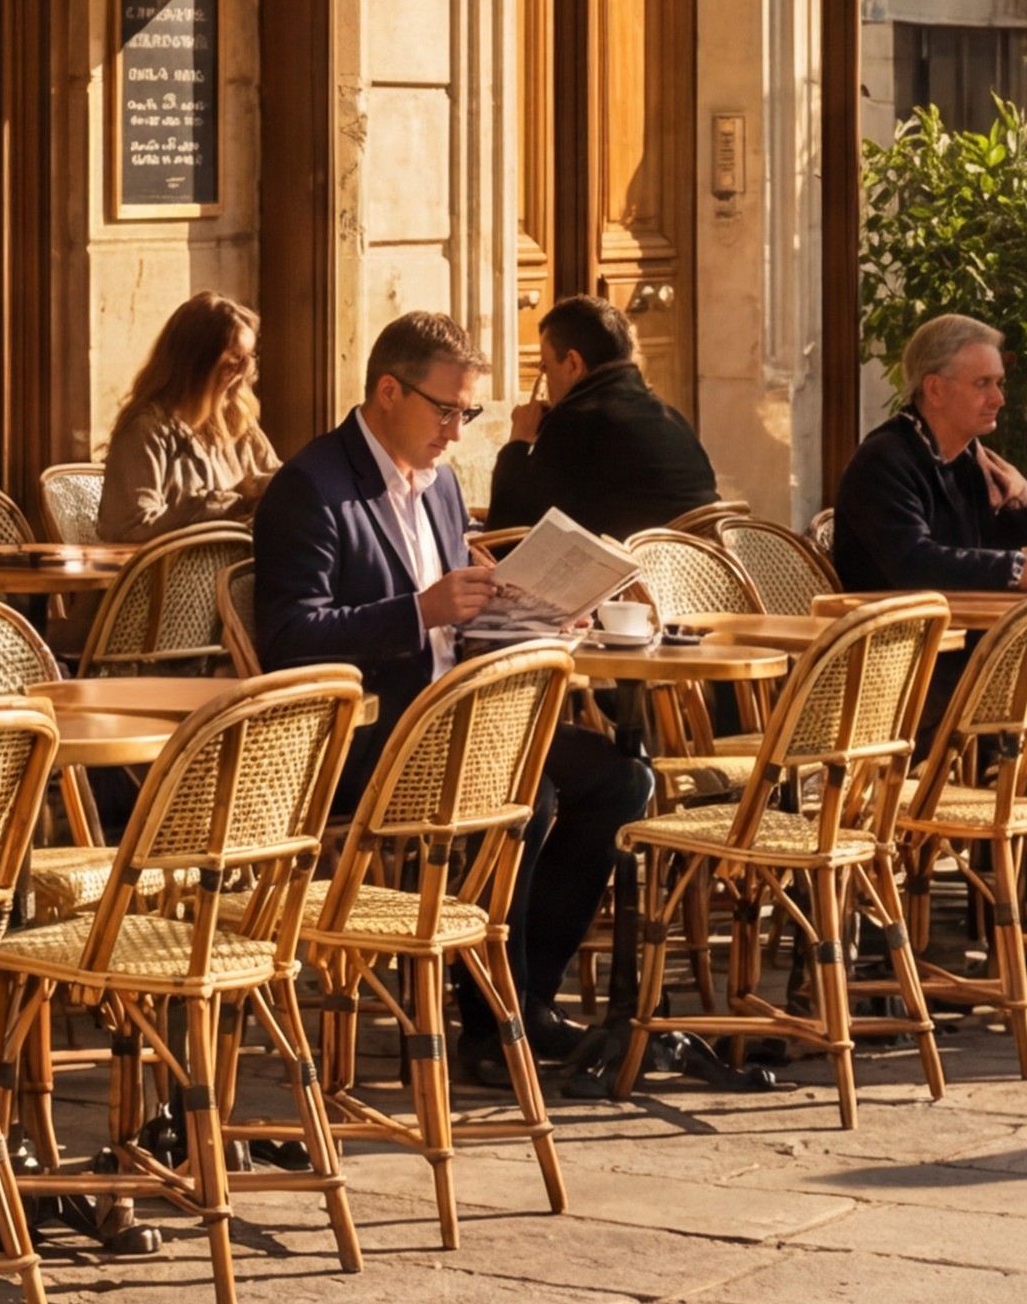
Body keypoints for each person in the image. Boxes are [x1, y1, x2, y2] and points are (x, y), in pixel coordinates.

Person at [249, 312, 649, 1069]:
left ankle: (524, 998)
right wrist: (417, 611)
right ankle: (486, 1025)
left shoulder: (440, 487)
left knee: (622, 781)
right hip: (367, 734)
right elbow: (288, 639)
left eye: (468, 413)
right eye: (446, 410)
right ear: (388, 392)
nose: (457, 432)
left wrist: (533, 610)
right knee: (522, 798)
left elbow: (460, 614)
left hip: (459, 716)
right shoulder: (315, 487)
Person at [829, 315, 1027, 596]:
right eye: (982, 383)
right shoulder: (881, 462)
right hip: (896, 637)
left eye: (999, 383)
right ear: (934, 389)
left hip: (968, 632)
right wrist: (1016, 568)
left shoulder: (974, 462)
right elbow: (914, 564)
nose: (999, 399)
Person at [483, 298, 720, 539]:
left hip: (638, 573)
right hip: (701, 567)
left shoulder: (575, 422)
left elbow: (506, 534)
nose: (544, 376)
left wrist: (518, 442)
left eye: (545, 365)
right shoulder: (673, 419)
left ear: (573, 363)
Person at [95, 292, 275, 555]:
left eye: (250, 358)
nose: (246, 371)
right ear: (197, 364)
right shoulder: (146, 430)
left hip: (235, 581)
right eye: (235, 359)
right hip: (165, 589)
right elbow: (128, 530)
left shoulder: (238, 421)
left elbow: (279, 481)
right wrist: (229, 501)